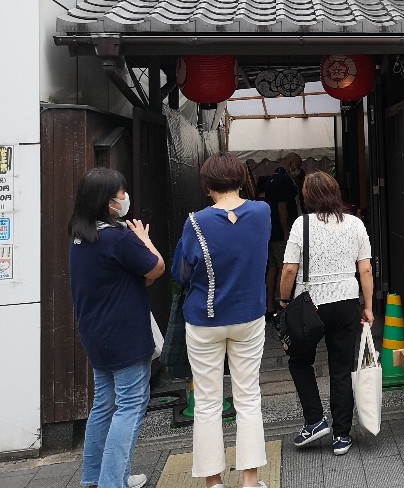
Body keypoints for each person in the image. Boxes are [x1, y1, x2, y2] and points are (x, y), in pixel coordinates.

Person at [176, 154, 270, 488]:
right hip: (249, 315)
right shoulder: (262, 212)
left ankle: (213, 482)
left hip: (205, 318)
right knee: (248, 397)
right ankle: (250, 481)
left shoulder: (196, 222)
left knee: (207, 402)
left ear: (207, 185)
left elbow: (181, 272)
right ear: (241, 179)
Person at [68, 168, 164, 488]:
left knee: (104, 406)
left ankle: (96, 479)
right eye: (121, 193)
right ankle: (112, 482)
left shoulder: (80, 237)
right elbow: (156, 267)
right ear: (107, 201)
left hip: (96, 335)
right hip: (125, 335)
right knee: (130, 406)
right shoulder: (116, 237)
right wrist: (145, 240)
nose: (125, 198)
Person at [278, 171, 374, 456]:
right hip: (346, 303)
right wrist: (368, 306)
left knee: (299, 361)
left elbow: (289, 269)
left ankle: (315, 421)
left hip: (311, 306)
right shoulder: (355, 223)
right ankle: (341, 436)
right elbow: (365, 269)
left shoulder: (301, 224)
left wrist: (284, 300)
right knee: (341, 368)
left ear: (307, 197)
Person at [263, 154, 305, 317]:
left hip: (270, 231)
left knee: (272, 268)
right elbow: (282, 207)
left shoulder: (271, 179)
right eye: (298, 166)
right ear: (292, 164)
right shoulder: (285, 180)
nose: (298, 169)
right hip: (281, 232)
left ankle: (270, 307)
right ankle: (282, 307)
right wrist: (287, 231)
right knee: (283, 267)